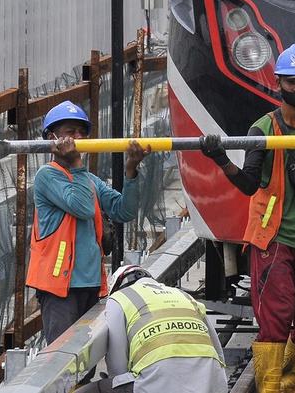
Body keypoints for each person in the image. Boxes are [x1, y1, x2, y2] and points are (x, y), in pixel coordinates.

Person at [200, 43, 295, 393]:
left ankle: (288, 383)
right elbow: (250, 183)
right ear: (279, 82)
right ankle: (270, 389)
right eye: (291, 83)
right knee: (276, 319)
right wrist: (221, 159)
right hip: (272, 237)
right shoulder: (262, 129)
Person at [29, 101, 149, 345]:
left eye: (82, 132)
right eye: (70, 132)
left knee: (87, 357)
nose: (78, 138)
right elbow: (82, 207)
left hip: (90, 283)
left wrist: (131, 172)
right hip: (59, 286)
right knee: (62, 358)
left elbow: (123, 210)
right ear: (52, 138)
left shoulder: (88, 179)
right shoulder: (47, 176)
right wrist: (76, 165)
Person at [76, 265, 227, 393]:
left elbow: (117, 367)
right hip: (211, 383)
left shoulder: (120, 298)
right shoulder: (185, 296)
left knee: (93, 389)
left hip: (158, 385)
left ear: (117, 286)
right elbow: (219, 354)